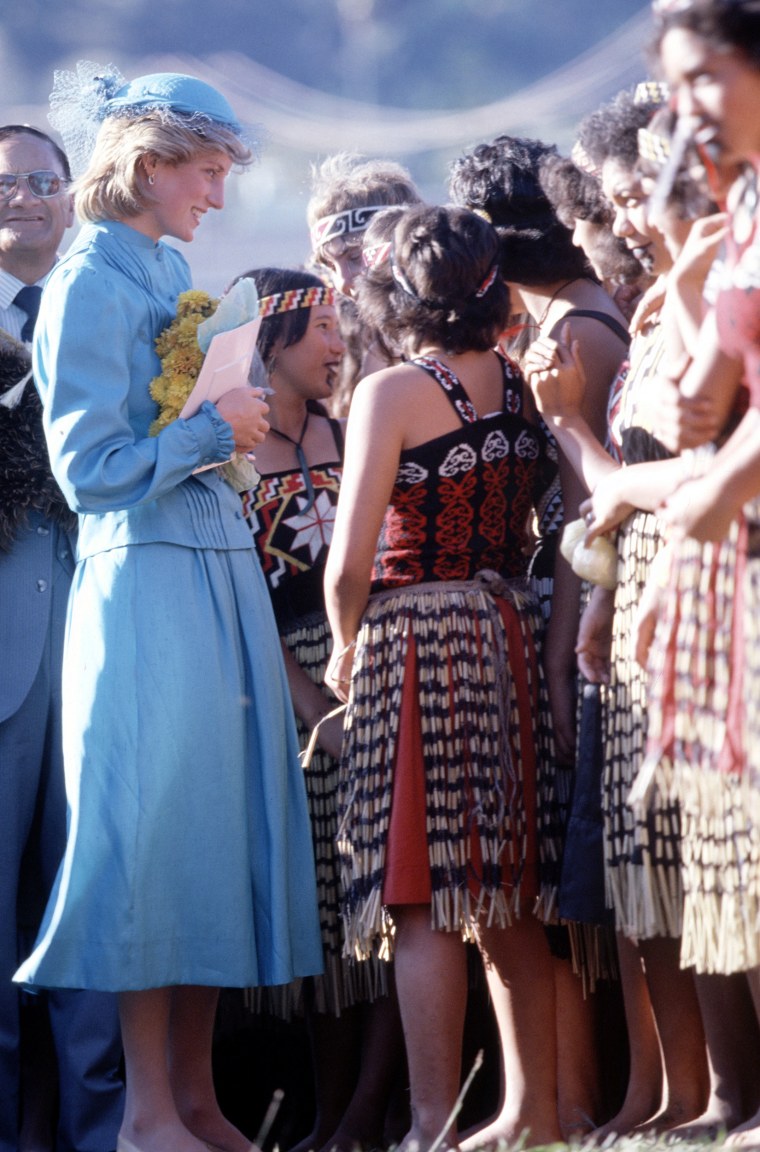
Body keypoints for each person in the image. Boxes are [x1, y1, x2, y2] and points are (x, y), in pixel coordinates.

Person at [12, 65, 323, 1152]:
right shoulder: (89, 277)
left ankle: (194, 1103)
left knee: (205, 837)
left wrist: (216, 431)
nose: (220, 197)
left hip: (207, 568)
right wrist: (212, 427)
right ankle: (147, 1115)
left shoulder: (167, 263)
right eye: (207, 171)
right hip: (140, 576)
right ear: (147, 166)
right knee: (149, 841)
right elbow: (88, 468)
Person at [324, 202, 563, 1152]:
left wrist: (346, 645)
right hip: (506, 623)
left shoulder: (389, 393)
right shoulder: (519, 379)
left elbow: (348, 564)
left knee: (421, 899)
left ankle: (431, 1125)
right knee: (502, 890)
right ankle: (535, 1114)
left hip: (417, 634)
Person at [449, 131, 631, 1139]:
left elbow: (585, 511)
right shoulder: (557, 319)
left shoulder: (581, 331)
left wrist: (563, 654)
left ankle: (625, 1095)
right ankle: (586, 1098)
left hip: (590, 607)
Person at [235, 265, 406, 1152]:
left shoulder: (353, 432)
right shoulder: (224, 454)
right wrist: (309, 707)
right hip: (284, 693)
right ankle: (327, 1112)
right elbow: (240, 606)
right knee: (320, 915)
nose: (340, 346)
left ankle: (364, 1115)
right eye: (322, 331)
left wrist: (352, 685)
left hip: (369, 667)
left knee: (381, 905)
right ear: (268, 342)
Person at [630, 1, 760, 1143]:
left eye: (704, 77)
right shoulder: (748, 205)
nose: (687, 110)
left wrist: (714, 490)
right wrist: (683, 268)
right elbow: (700, 402)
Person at [0, 123, 124, 1152]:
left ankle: (108, 1125)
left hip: (107, 641)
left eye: (47, 181)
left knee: (93, 894)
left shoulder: (117, 314)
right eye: (8, 184)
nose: (28, 198)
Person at [307, 153, 423, 414]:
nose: (343, 282)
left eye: (356, 257)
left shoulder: (466, 331)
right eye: (330, 266)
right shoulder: (346, 350)